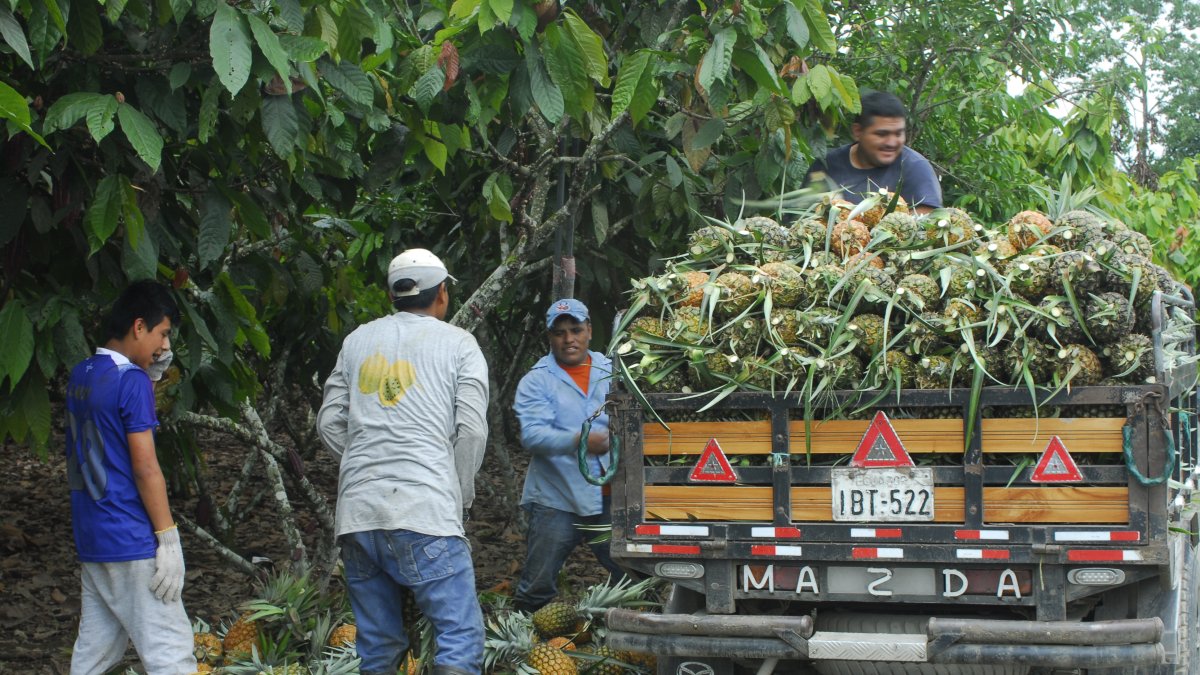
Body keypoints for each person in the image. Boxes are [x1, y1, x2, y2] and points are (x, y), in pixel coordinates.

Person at [317, 248, 489, 675]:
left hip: (357, 515)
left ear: (392, 295)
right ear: (442, 294)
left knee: (378, 649)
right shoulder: (459, 344)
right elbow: (471, 431)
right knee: (459, 638)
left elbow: (328, 423)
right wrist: (459, 496)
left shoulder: (357, 340)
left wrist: (366, 461)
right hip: (424, 509)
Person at [65, 280, 195, 674]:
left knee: (95, 652)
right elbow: (144, 465)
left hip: (93, 537)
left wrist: (148, 374)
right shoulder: (132, 381)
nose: (164, 346)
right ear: (139, 327)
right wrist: (167, 538)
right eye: (162, 334)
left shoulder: (82, 373)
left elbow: (105, 436)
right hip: (131, 538)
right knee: (170, 651)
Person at [512, 298, 625, 613]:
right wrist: (581, 440)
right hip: (556, 497)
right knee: (537, 582)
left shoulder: (611, 369)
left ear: (589, 330)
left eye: (575, 330)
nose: (568, 339)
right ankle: (530, 636)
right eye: (560, 333)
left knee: (628, 571)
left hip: (607, 495)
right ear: (550, 337)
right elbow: (533, 436)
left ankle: (624, 624)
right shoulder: (537, 379)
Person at [805, 91, 943, 213]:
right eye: (882, 134)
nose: (892, 142)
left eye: (898, 134)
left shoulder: (915, 168)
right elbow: (797, 219)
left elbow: (928, 225)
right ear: (857, 131)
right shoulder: (826, 167)